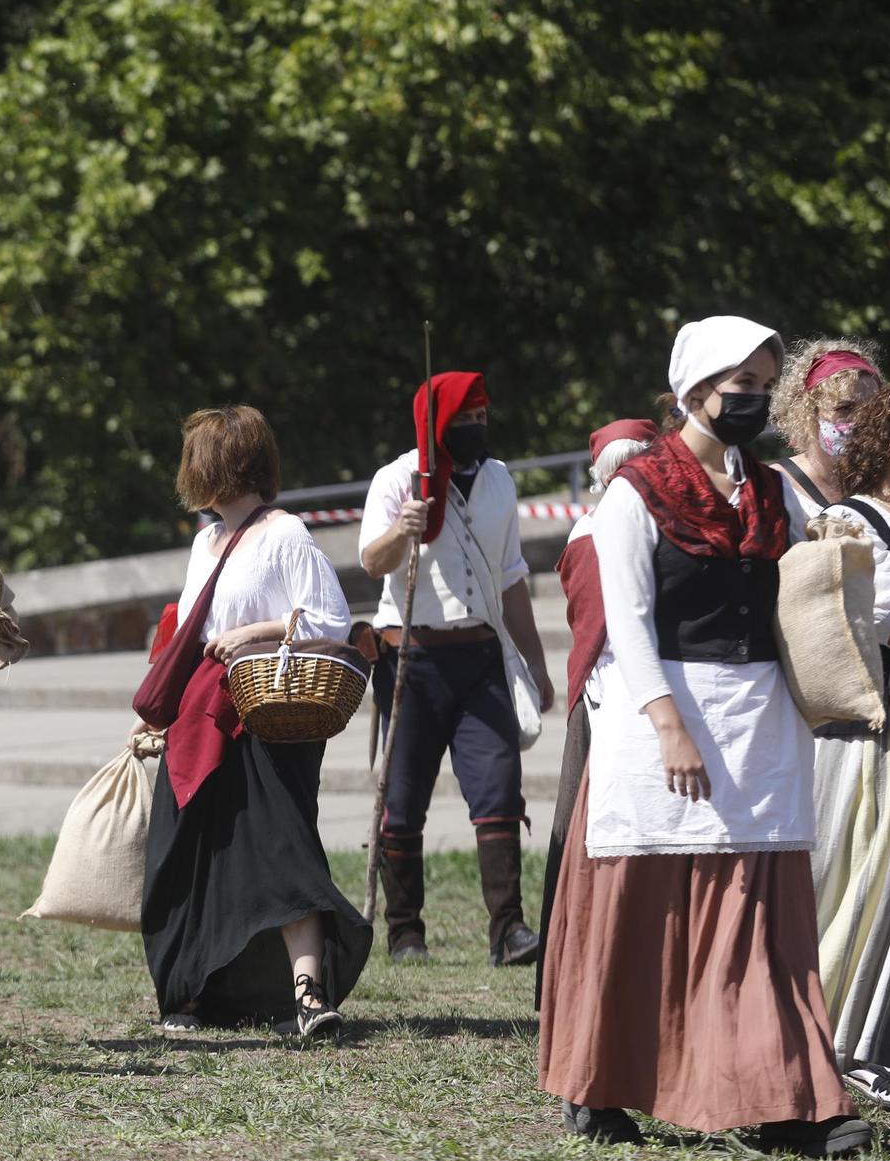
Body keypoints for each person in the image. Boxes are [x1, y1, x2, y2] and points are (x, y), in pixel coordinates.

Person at [539, 315, 869, 1156]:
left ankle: (790, 1102)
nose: (753, 401)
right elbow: (628, 623)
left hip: (758, 724)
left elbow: (812, 574)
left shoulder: (773, 490)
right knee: (635, 912)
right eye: (740, 387)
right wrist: (667, 725)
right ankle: (598, 1087)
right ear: (693, 390)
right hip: (661, 721)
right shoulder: (634, 492)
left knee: (761, 920)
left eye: (764, 387)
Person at [132, 407, 371, 1039]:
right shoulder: (202, 541)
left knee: (284, 853)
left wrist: (256, 632)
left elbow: (329, 621)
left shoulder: (285, 534)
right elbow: (189, 631)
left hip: (268, 714)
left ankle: (309, 996)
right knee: (187, 857)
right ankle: (189, 993)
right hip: (200, 717)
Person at [358, 373, 553, 965]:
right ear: (437, 422)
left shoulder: (498, 479)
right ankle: (405, 932)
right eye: (463, 419)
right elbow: (372, 561)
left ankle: (508, 931)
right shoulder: (397, 478)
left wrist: (536, 663)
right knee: (403, 799)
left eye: (482, 416)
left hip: (481, 656)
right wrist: (403, 528)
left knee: (498, 791)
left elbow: (513, 577)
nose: (475, 428)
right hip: (411, 657)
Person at [535, 418, 655, 1007]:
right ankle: (575, 973)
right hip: (610, 696)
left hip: (645, 692)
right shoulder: (592, 532)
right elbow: (597, 623)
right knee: (583, 837)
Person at [808, 365, 890, 1106]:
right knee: (856, 890)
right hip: (867, 735)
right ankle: (842, 1039)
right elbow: (864, 621)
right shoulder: (857, 520)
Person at [770, 337, 885, 515]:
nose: (863, 419)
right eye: (845, 408)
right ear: (808, 414)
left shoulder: (885, 481)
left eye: (872, 407)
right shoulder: (776, 486)